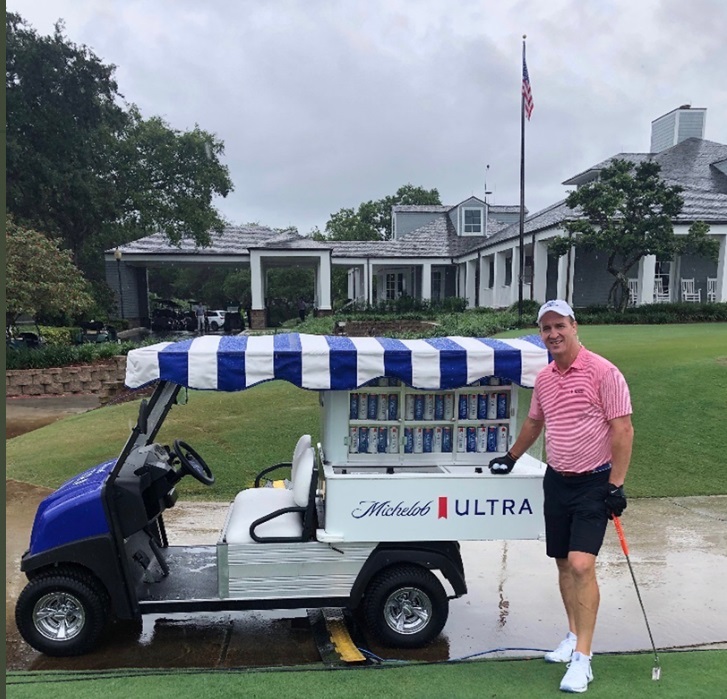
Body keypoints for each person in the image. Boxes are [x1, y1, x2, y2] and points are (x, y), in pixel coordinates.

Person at [488, 299, 633, 694]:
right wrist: (511, 457)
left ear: (574, 325)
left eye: (559, 326)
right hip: (558, 480)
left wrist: (616, 485)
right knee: (563, 564)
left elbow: (622, 430)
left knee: (582, 564)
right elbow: (536, 420)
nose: (553, 334)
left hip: (594, 481)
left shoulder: (604, 372)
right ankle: (572, 637)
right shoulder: (546, 378)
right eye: (546, 328)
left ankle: (583, 659)